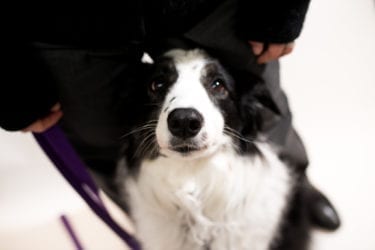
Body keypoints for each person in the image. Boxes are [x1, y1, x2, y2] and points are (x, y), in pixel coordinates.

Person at [1, 0, 339, 232]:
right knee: (104, 145)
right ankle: (167, 230)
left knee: (265, 117)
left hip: (206, 5)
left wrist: (282, 8)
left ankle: (297, 194)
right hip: (58, 25)